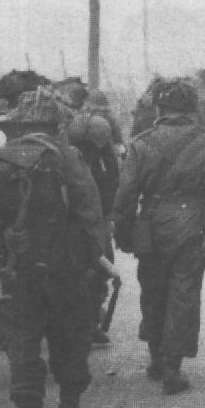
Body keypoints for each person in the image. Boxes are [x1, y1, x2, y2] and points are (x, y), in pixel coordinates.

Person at [0, 89, 108, 408]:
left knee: (22, 341)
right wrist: (95, 260)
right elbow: (89, 210)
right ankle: (70, 406)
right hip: (65, 264)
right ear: (55, 121)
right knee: (70, 334)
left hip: (14, 267)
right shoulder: (66, 154)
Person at [112, 79, 205, 395]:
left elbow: (125, 195)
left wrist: (123, 233)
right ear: (192, 109)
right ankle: (172, 367)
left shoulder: (140, 144)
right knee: (184, 295)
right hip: (192, 228)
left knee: (152, 290)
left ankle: (155, 357)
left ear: (160, 109)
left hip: (151, 227)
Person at [67, 113, 120, 345]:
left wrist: (109, 215)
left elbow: (113, 180)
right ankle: (78, 324)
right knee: (75, 274)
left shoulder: (104, 151)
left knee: (101, 270)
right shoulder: (68, 152)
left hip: (98, 219)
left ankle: (91, 322)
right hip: (72, 222)